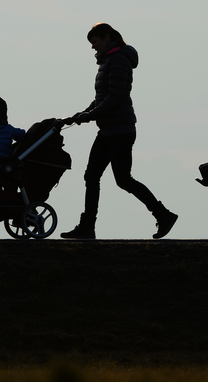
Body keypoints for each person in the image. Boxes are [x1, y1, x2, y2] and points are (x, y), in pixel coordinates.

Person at [61, 23, 177, 239]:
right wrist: (83, 113)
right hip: (107, 130)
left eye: (94, 42)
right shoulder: (108, 61)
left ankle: (163, 215)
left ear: (106, 38)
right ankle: (87, 226)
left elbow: (115, 97)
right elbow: (101, 97)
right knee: (92, 176)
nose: (93, 47)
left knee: (123, 179)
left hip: (120, 131)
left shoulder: (119, 60)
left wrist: (90, 115)